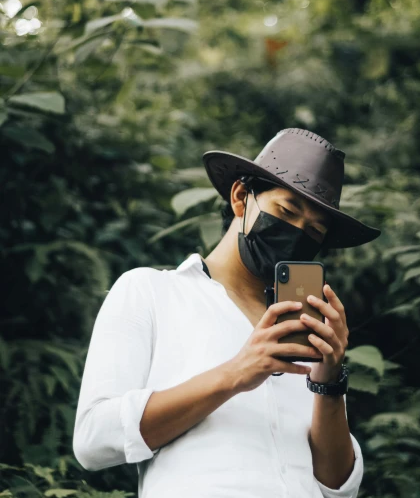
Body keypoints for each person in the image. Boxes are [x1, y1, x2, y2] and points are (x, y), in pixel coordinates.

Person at [73, 127, 381, 497]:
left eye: (314, 231)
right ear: (240, 197)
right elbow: (93, 439)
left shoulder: (304, 328)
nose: (297, 233)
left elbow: (337, 487)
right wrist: (237, 372)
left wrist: (329, 382)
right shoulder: (150, 291)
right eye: (286, 211)